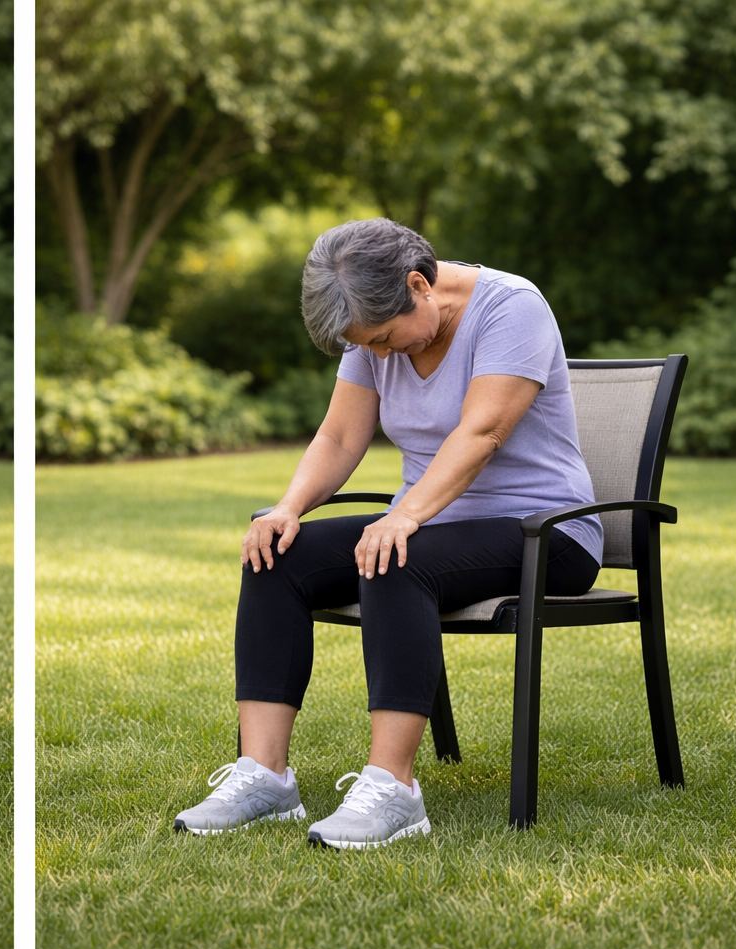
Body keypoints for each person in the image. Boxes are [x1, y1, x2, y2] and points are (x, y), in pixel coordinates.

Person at [174, 218, 602, 849]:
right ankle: (265, 777)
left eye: (381, 339)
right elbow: (341, 436)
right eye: (364, 346)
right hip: (436, 527)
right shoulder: (372, 320)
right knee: (277, 555)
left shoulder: (513, 307)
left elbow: (481, 433)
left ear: (418, 285)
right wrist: (286, 507)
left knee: (395, 557)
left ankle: (393, 790)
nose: (377, 354)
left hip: (545, 532)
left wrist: (404, 515)